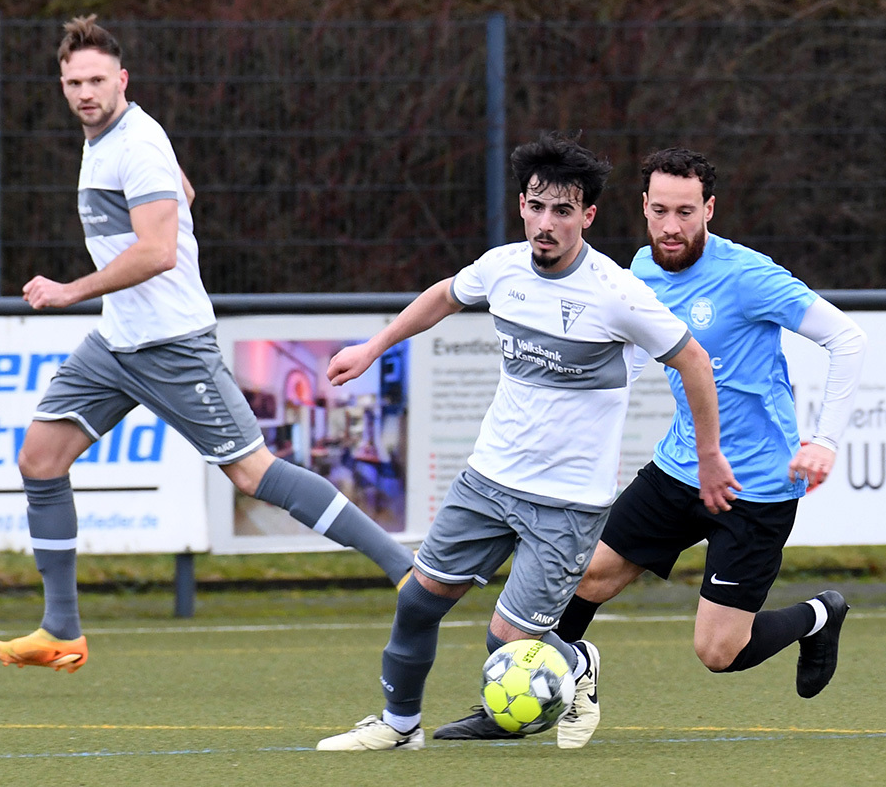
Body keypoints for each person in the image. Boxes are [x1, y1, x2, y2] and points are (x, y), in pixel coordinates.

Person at [0, 16, 414, 675]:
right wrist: (169, 206)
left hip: (172, 343)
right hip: (118, 342)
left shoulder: (136, 143)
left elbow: (156, 251)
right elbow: (183, 194)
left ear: (121, 79)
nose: (85, 92)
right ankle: (61, 631)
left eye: (97, 80)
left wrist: (73, 290)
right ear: (62, 84)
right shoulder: (106, 138)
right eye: (74, 82)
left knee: (252, 473)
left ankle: (408, 572)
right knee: (40, 459)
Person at [315, 132, 738, 752]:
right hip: (488, 479)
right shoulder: (502, 267)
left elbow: (695, 362)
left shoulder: (616, 294)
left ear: (587, 217)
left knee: (507, 643)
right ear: (522, 206)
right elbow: (443, 296)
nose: (546, 223)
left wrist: (708, 456)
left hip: (566, 502)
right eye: (537, 207)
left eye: (563, 211)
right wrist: (373, 347)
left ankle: (578, 663)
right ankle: (400, 726)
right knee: (418, 602)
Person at [543, 148, 865, 734]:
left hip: (757, 488)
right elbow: (633, 362)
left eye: (686, 212)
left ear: (709, 209)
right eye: (660, 210)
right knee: (587, 575)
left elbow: (848, 340)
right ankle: (550, 690)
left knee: (719, 652)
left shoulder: (749, 276)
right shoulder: (638, 271)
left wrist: (824, 441)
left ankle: (820, 615)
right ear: (643, 208)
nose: (672, 226)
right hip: (678, 469)